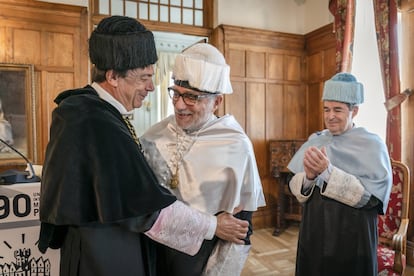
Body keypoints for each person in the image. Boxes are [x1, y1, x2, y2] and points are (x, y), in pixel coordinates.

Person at [37, 16, 249, 276]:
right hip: (102, 254)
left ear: (216, 102)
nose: (151, 87)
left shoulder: (97, 113)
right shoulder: (92, 120)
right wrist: (213, 226)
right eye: (144, 78)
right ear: (113, 76)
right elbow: (143, 209)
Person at [140, 43, 266, 276]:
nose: (179, 105)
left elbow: (240, 231)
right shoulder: (153, 136)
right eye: (175, 93)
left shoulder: (237, 145)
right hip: (152, 252)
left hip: (201, 261)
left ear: (216, 102)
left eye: (191, 97)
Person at [287, 72, 392, 276]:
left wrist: (328, 173)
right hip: (314, 230)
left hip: (352, 235)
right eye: (326, 109)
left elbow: (372, 200)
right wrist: (308, 177)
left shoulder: (372, 144)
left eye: (338, 109)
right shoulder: (316, 139)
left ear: (355, 110)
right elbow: (297, 186)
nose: (330, 116)